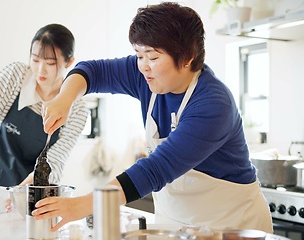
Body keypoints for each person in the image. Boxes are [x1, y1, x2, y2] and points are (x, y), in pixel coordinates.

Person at [33, 2, 273, 233]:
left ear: (188, 57)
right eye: (138, 55)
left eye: (153, 57)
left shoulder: (214, 104)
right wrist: (64, 99)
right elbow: (92, 71)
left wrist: (83, 205)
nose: (143, 66)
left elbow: (156, 169)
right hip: (176, 224)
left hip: (233, 226)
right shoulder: (146, 77)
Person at [0, 23, 88, 190]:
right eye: (35, 60)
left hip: (30, 194)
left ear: (69, 62)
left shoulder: (76, 110)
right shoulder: (17, 76)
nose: (40, 70)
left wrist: (20, 192)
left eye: (50, 63)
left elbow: (55, 163)